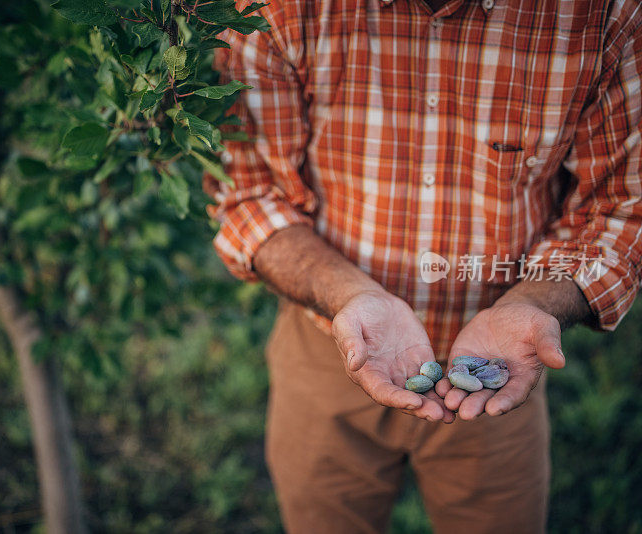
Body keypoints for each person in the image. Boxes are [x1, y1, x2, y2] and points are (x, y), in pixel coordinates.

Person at [203, 0, 642, 532]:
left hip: (499, 373)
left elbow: (620, 210)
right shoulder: (276, 10)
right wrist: (348, 296)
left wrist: (532, 304)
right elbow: (250, 195)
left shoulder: (603, 16)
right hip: (327, 350)